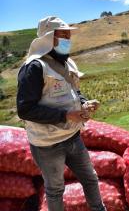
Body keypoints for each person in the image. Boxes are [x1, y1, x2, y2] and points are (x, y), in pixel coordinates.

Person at [16, 16, 106, 211]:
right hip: (47, 144)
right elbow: (25, 109)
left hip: (73, 136)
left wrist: (84, 103)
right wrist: (66, 115)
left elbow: (74, 92)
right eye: (62, 35)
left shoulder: (68, 63)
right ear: (48, 38)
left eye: (68, 35)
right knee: (55, 189)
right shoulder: (34, 67)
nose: (67, 39)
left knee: (90, 178)